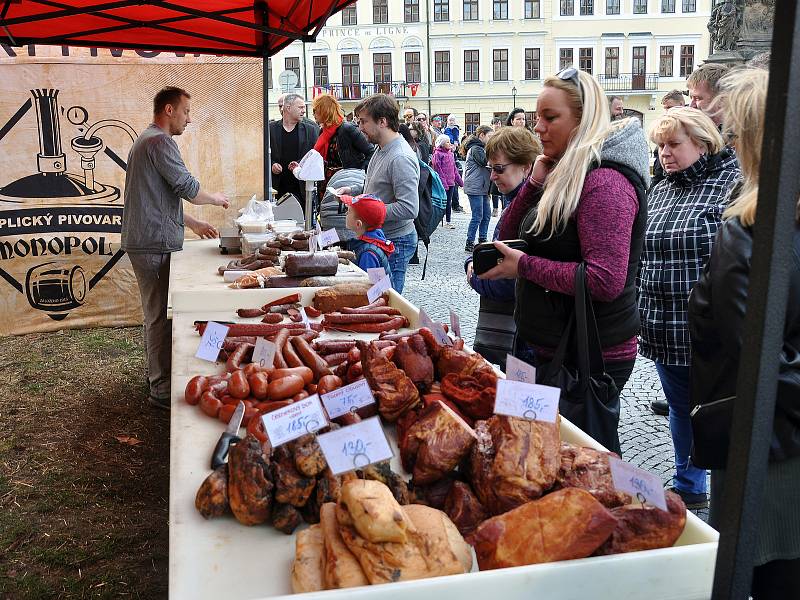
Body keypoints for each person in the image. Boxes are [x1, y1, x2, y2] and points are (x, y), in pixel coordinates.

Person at [480, 68, 650, 453]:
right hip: (550, 344)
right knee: (542, 450)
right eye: (538, 116)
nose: (538, 127)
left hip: (587, 353)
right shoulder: (564, 170)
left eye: (550, 117)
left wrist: (523, 266)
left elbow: (604, 280)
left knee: (577, 460)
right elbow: (507, 231)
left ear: (583, 118)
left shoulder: (605, 181)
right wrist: (534, 183)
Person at [688, 67, 800, 599]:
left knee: (769, 571)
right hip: (776, 434)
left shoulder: (748, 231)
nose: (727, 146)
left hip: (770, 444)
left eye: (732, 134)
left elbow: (756, 356)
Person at [638, 107, 740, 506]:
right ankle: (690, 485)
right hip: (663, 325)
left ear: (703, 142)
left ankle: (728, 495)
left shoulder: (731, 184)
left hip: (709, 329)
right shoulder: (661, 188)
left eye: (674, 144)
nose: (665, 153)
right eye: (660, 145)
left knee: (717, 411)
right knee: (681, 409)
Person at [121, 86, 229, 410]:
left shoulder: (148, 140)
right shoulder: (159, 141)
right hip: (150, 244)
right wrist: (215, 199)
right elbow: (185, 186)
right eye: (185, 112)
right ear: (169, 110)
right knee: (157, 317)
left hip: (150, 239)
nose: (189, 119)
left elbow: (156, 198)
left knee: (159, 315)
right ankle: (160, 390)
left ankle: (161, 377)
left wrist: (193, 223)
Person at [464, 126, 542, 369]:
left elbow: (510, 282)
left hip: (525, 340)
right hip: (521, 337)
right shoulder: (518, 204)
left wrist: (475, 275)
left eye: (499, 169)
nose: (492, 176)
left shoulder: (530, 211)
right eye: (491, 169)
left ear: (526, 166)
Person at [341, 94, 420, 293]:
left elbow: (409, 208)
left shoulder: (400, 157)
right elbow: (376, 186)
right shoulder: (381, 148)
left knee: (385, 298)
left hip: (395, 240)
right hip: (380, 236)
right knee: (374, 295)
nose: (359, 127)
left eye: (364, 121)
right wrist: (354, 191)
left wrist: (368, 211)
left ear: (382, 121)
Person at [311, 93, 373, 189]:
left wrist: (359, 173)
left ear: (324, 110)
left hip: (347, 182)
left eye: (315, 110)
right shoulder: (323, 131)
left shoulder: (347, 128)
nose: (313, 114)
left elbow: (371, 152)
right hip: (327, 182)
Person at [269, 93, 320, 204]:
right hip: (277, 188)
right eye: (300, 107)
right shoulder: (271, 129)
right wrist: (272, 164)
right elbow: (262, 155)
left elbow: (315, 156)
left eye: (304, 107)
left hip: (301, 188)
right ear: (288, 108)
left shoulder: (311, 130)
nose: (304, 110)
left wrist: (298, 164)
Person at [342, 193, 394, 280]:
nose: (346, 213)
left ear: (358, 224)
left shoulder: (368, 254)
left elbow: (371, 287)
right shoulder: (373, 239)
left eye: (349, 211)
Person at [463, 125, 494, 252]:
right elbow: (484, 162)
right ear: (482, 135)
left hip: (482, 187)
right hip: (475, 187)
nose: (491, 139)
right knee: (478, 215)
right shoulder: (476, 148)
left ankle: (482, 239)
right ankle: (470, 242)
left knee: (486, 215)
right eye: (490, 136)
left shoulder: (481, 148)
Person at [651, 90, 687, 189]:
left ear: (681, 104)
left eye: (670, 107)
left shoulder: (690, 127)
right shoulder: (665, 125)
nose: (667, 112)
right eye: (665, 108)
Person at [432, 134, 463, 230]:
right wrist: (444, 183)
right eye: (447, 142)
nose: (450, 143)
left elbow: (454, 169)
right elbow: (438, 170)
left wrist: (460, 182)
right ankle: (436, 220)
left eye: (450, 141)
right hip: (443, 184)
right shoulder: (437, 154)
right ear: (442, 143)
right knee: (441, 203)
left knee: (448, 203)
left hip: (451, 183)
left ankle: (448, 221)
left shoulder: (451, 154)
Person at [489, 118, 504, 216]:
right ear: (492, 125)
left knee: (503, 186)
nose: (497, 125)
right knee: (494, 188)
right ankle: (495, 208)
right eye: (495, 123)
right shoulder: (490, 136)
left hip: (502, 163)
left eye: (498, 123)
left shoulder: (503, 134)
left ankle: (503, 208)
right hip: (493, 163)